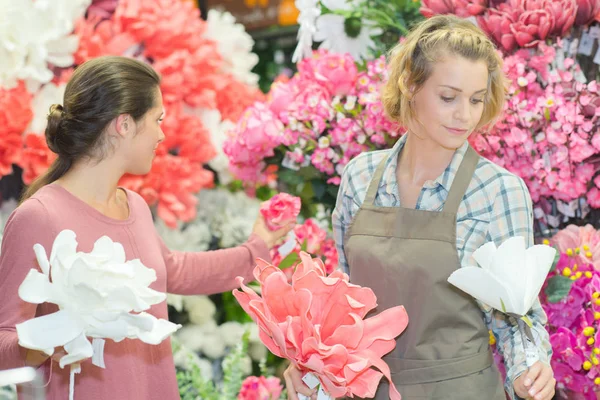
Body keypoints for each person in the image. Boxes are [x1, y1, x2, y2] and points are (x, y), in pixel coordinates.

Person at [284, 15, 555, 400]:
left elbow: (516, 316)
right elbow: (340, 306)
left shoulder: (497, 190)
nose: (465, 115)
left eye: (476, 99)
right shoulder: (359, 177)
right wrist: (308, 367)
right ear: (411, 85)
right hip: (368, 389)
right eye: (449, 97)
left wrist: (531, 370)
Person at [0, 56, 293, 399]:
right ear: (123, 124)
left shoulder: (135, 206)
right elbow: (5, 343)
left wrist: (257, 248)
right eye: (157, 119)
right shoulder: (39, 216)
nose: (162, 133)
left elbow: (174, 270)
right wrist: (52, 338)